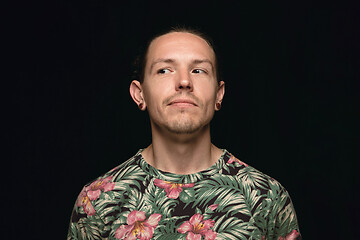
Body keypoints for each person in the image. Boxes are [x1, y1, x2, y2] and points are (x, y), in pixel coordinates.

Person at [67, 27, 301, 240]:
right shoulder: (98, 200)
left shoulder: (266, 197)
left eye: (198, 70)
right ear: (140, 94)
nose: (184, 81)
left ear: (219, 94)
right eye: (164, 70)